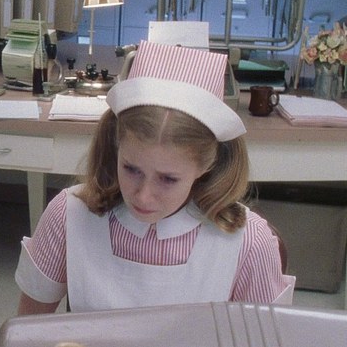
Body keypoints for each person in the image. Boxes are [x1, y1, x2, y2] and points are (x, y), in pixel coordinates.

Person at [15, 41, 294, 315]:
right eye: (131, 169)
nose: (143, 196)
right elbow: (25, 330)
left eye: (168, 179)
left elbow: (265, 336)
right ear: (116, 146)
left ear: (207, 165)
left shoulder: (249, 243)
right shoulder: (69, 215)